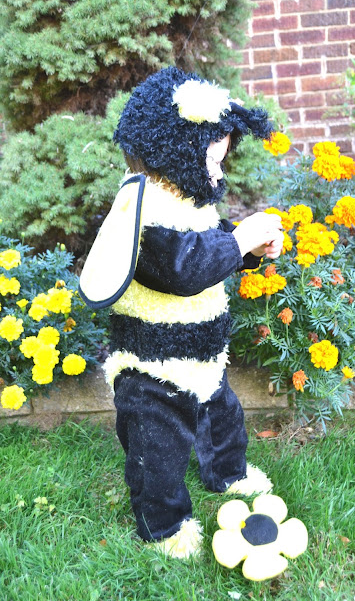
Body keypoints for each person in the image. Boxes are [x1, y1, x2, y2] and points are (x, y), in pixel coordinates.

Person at [80, 66, 283, 558]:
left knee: (222, 419)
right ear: (174, 151)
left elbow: (211, 243)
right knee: (158, 449)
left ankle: (228, 472)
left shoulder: (187, 202)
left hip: (203, 354)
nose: (218, 173)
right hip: (153, 364)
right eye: (212, 161)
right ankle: (164, 525)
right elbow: (182, 268)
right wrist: (238, 240)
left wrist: (251, 248)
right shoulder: (141, 214)